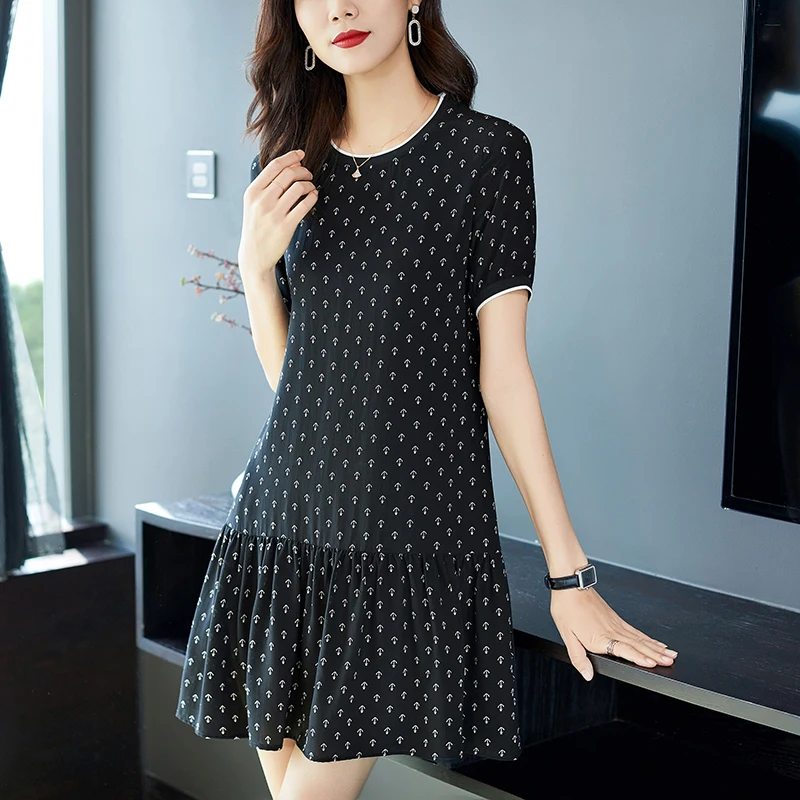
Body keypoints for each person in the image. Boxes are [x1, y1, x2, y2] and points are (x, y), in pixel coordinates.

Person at [175, 2, 678, 798]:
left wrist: (569, 578)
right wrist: (256, 265)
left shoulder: (487, 155)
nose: (339, 8)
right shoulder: (285, 166)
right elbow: (296, 388)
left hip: (404, 541)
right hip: (282, 526)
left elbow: (504, 375)